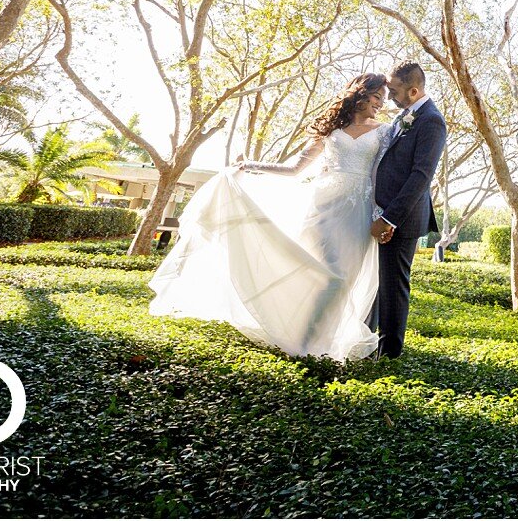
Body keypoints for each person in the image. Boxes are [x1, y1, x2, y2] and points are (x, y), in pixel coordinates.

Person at [146, 73, 390, 361]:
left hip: (359, 212)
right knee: (323, 274)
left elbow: (381, 176)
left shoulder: (384, 132)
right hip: (324, 206)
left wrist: (381, 214)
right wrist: (250, 166)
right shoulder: (333, 128)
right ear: (361, 93)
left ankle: (316, 341)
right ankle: (303, 343)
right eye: (376, 97)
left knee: (340, 281)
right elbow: (295, 169)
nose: (380, 103)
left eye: (383, 100)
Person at [367, 61, 446, 357]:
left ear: (413, 90)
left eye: (395, 90)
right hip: (382, 210)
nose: (389, 96)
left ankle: (389, 354)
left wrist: (389, 219)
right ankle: (370, 341)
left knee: (392, 287)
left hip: (402, 218)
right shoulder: (406, 115)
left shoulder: (431, 121)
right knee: (378, 283)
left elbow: (421, 176)